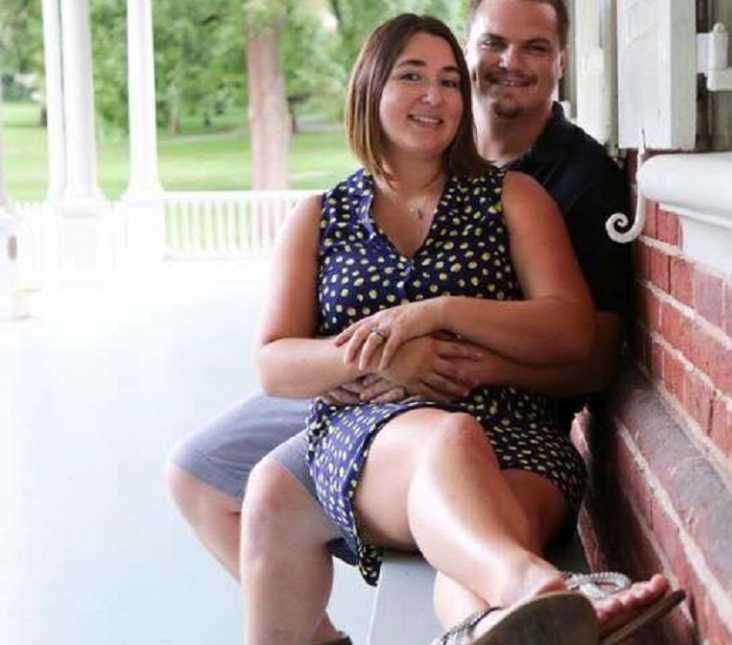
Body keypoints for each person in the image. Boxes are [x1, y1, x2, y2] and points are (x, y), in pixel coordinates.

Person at [166, 3, 679, 644]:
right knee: (443, 440)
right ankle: (544, 590)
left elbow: (572, 332)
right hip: (370, 439)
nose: (433, 95)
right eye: (411, 76)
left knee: (481, 538)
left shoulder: (514, 198)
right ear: (370, 87)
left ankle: (491, 622)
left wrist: (436, 316)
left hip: (518, 433)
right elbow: (273, 362)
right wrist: (383, 358)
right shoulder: (320, 216)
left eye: (447, 82)